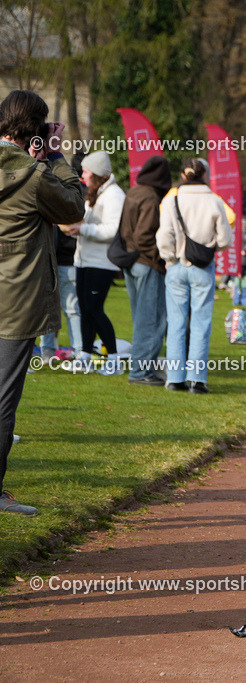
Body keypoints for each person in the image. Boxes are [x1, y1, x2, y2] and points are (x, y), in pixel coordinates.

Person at [0, 90, 85, 515]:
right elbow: (73, 207)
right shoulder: (34, 175)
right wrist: (54, 155)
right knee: (3, 399)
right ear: (36, 129)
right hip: (16, 300)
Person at [156, 158, 231, 394]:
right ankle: (197, 380)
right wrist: (209, 248)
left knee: (176, 323)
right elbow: (226, 239)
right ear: (205, 175)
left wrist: (169, 258)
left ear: (183, 174)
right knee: (201, 324)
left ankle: (175, 378)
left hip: (176, 265)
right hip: (203, 267)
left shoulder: (172, 200)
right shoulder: (214, 201)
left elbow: (164, 236)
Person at [120, 154, 172, 385]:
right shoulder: (151, 197)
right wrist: (160, 260)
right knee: (150, 321)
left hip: (130, 261)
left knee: (141, 319)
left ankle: (139, 367)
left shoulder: (133, 191)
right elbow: (144, 236)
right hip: (147, 263)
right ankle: (141, 372)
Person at [69, 151, 124, 360]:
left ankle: (113, 358)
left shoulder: (114, 196)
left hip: (101, 263)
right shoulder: (96, 194)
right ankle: (84, 355)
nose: (82, 176)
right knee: (85, 309)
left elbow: (112, 230)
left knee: (94, 309)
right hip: (85, 260)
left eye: (85, 172)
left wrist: (82, 230)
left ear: (97, 173)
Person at [39, 223, 82, 361]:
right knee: (49, 308)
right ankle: (48, 349)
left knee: (71, 309)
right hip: (49, 259)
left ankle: (78, 350)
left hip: (65, 260)